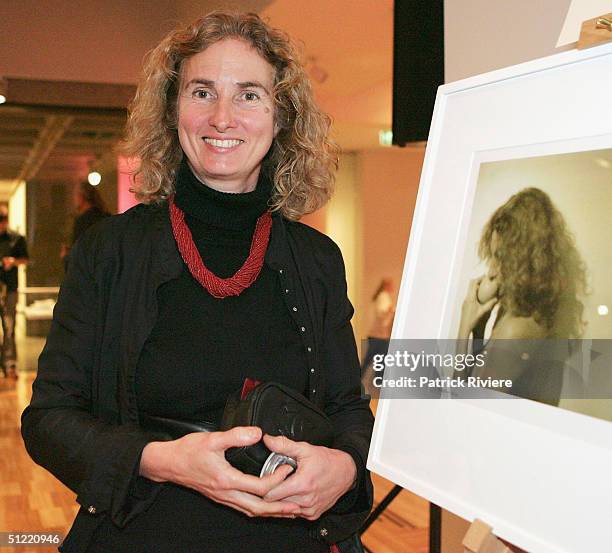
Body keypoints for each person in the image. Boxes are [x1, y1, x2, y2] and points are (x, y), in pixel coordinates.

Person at [21, 12, 373, 553]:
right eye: (202, 91)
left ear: (282, 117)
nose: (223, 117)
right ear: (173, 110)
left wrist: (344, 467)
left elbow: (349, 409)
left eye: (249, 95)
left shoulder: (316, 259)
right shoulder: (109, 251)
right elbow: (48, 420)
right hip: (140, 536)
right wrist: (160, 460)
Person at [457, 187, 587, 404]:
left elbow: (463, 407)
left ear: (520, 260)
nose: (491, 271)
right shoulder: (547, 314)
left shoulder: (514, 330)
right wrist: (479, 332)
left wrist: (464, 327)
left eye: (500, 258)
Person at [0, 205, 29, 378]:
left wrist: (13, 261)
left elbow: (25, 259)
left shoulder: (16, 239)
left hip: (9, 288)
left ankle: (10, 364)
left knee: (9, 327)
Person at [60, 182, 110, 266]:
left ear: (81, 197)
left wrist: (66, 257)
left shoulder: (82, 221)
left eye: (75, 196)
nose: (74, 200)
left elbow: (79, 256)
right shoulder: (107, 217)